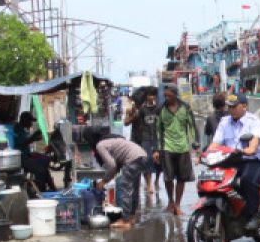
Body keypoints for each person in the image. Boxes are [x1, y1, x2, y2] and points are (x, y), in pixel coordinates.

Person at [211, 92, 260, 228]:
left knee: (247, 180)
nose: (231, 110)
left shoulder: (254, 121)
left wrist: (248, 149)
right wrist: (205, 154)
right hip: (231, 160)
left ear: (244, 106)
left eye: (234, 107)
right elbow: (216, 143)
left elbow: (255, 141)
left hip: (251, 160)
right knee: (213, 178)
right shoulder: (224, 121)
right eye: (229, 107)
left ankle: (253, 215)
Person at [85, 127, 149, 230]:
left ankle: (125, 220)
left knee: (126, 188)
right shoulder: (111, 140)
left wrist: (104, 181)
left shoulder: (100, 145)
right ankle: (131, 217)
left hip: (132, 158)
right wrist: (107, 179)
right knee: (134, 189)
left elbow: (112, 165)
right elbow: (116, 166)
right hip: (142, 155)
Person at [154, 84, 199, 215]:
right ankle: (170, 201)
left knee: (181, 178)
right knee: (168, 178)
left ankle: (177, 205)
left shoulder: (185, 107)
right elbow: (157, 130)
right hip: (167, 148)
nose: (166, 98)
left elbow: (192, 126)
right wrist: (156, 149)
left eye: (169, 95)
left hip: (183, 148)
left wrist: (195, 145)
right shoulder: (161, 109)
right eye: (165, 95)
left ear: (175, 94)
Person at [124, 86, 161, 201]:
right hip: (137, 139)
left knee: (153, 161)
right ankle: (144, 184)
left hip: (148, 139)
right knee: (141, 162)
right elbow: (126, 122)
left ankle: (153, 182)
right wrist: (129, 114)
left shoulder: (152, 109)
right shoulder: (136, 110)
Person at [12, 111, 57, 193]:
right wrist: (34, 136)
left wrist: (34, 138)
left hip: (27, 155)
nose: (31, 123)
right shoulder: (17, 129)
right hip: (21, 159)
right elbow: (23, 143)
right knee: (41, 170)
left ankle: (53, 189)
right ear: (25, 120)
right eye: (30, 121)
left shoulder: (23, 129)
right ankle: (41, 190)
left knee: (45, 164)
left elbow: (26, 141)